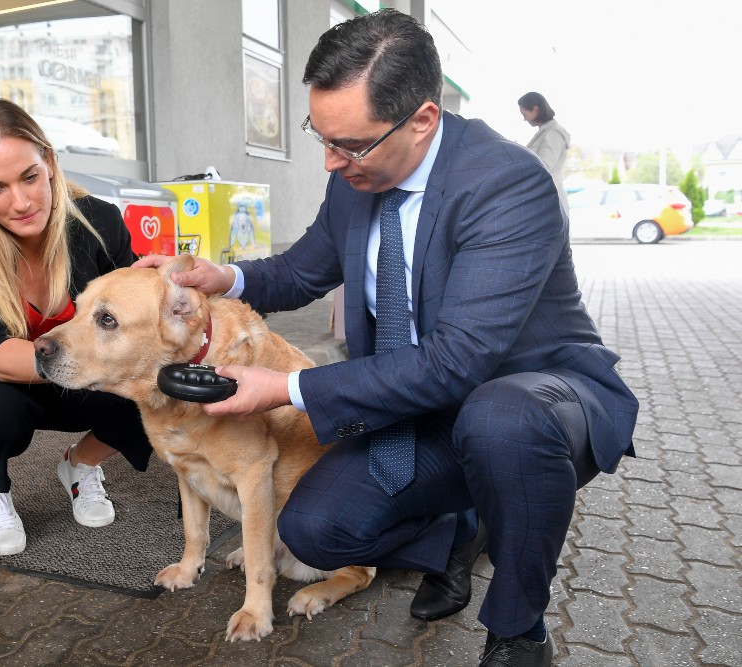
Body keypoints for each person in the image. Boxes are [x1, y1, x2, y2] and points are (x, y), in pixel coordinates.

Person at [135, 10, 637, 667]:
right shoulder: (358, 176)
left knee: (499, 424)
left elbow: (458, 361)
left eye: (349, 144)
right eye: (320, 134)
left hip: (535, 400)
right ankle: (463, 525)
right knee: (313, 528)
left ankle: (519, 630)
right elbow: (299, 270)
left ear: (422, 120)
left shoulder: (506, 185)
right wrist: (220, 275)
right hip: (425, 408)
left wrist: (285, 387)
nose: (329, 159)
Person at [0, 99, 152, 577]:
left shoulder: (99, 221)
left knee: (156, 381)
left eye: (29, 176)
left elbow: (137, 311)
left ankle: (80, 464)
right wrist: (95, 366)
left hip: (73, 374)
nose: (22, 202)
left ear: (48, 161)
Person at [518, 91, 571, 212]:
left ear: (535, 109)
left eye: (525, 114)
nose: (524, 120)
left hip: (549, 197)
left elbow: (544, 166)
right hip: (545, 197)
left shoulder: (553, 133)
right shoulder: (545, 132)